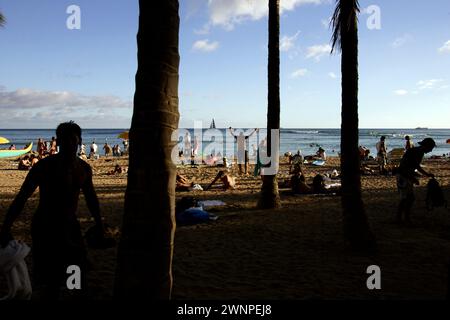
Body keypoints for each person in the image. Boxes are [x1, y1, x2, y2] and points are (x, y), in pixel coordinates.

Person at [0, 121, 105, 299]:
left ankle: (72, 293)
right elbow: (22, 197)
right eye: (65, 140)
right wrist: (6, 227)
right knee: (50, 277)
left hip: (70, 226)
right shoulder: (44, 166)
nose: (69, 144)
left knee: (76, 268)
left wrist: (99, 222)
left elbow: (91, 197)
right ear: (58, 141)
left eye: (73, 140)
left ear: (79, 141)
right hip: (45, 226)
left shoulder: (84, 169)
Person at [396, 138, 436, 224]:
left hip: (403, 174)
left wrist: (424, 174)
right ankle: (405, 218)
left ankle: (400, 218)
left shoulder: (415, 150)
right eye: (431, 148)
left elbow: (412, 165)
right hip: (404, 175)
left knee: (405, 198)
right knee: (409, 198)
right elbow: (414, 165)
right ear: (427, 146)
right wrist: (414, 177)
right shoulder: (418, 152)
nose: (431, 150)